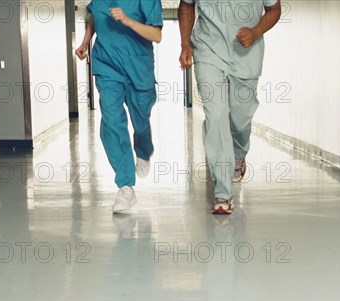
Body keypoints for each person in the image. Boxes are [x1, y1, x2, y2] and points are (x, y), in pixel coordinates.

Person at [178, 0, 281, 214]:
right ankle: (223, 192)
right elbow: (186, 5)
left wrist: (256, 31)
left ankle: (239, 154)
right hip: (208, 51)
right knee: (216, 115)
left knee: (240, 120)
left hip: (246, 53)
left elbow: (273, 10)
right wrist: (185, 44)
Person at [75, 0, 163, 213]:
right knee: (112, 121)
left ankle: (143, 150)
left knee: (141, 122)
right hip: (107, 66)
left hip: (138, 68)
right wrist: (85, 41)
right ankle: (125, 186)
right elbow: (94, 17)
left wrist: (127, 20)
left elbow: (156, 35)